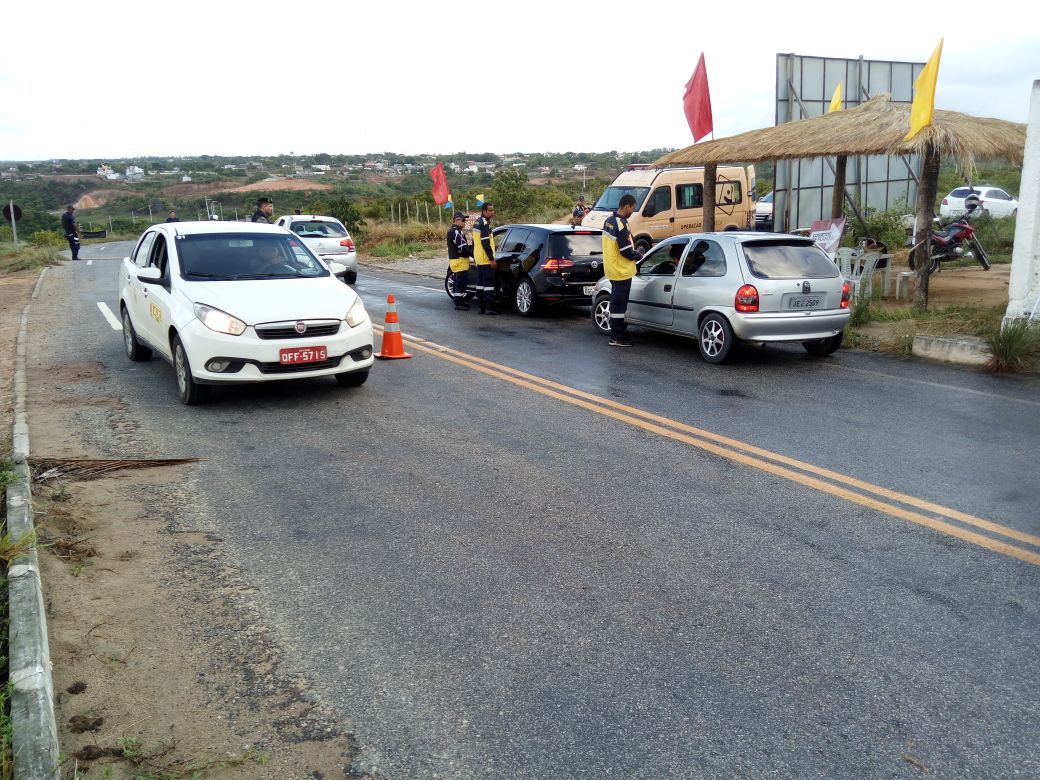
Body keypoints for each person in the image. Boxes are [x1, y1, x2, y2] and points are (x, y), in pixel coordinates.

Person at [602, 193, 643, 346]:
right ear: (626, 206)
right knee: (619, 305)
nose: (632, 211)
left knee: (615, 303)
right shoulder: (621, 224)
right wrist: (637, 255)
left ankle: (616, 335)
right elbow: (625, 250)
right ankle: (617, 337)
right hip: (622, 271)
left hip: (612, 269)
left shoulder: (609, 221)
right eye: (632, 208)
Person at [472, 201, 498, 315]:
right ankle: (489, 308)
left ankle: (482, 307)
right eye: (490, 210)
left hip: (479, 257)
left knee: (480, 284)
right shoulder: (484, 223)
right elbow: (485, 243)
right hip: (485, 258)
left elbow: (474, 242)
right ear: (484, 211)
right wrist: (492, 259)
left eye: (493, 210)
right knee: (488, 284)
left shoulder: (477, 222)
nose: (493, 212)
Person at [447, 211, 472, 310]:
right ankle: (458, 303)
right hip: (459, 260)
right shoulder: (456, 232)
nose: (465, 222)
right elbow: (463, 247)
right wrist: (472, 254)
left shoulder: (452, 231)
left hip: (455, 260)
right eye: (463, 220)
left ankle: (460, 300)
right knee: (460, 282)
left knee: (458, 281)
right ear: (456, 220)